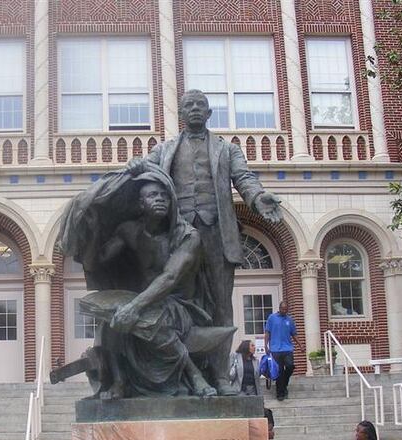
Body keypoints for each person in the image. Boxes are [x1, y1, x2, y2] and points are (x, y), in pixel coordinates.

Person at [127, 89, 283, 394]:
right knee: (183, 305)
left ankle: (222, 376)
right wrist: (135, 166)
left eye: (201, 105)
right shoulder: (166, 149)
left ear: (209, 113)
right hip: (180, 237)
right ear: (181, 114)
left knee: (222, 307)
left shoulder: (227, 150)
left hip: (216, 236)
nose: (195, 109)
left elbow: (245, 178)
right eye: (189, 106)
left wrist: (257, 196)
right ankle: (188, 376)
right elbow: (144, 172)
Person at [57, 165, 235, 398]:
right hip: (143, 301)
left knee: (150, 316)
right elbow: (95, 263)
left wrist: (134, 307)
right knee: (109, 322)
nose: (160, 200)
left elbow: (169, 278)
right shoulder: (129, 231)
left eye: (164, 196)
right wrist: (92, 230)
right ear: (140, 204)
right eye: (153, 195)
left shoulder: (187, 236)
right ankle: (119, 382)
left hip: (179, 305)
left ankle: (194, 374)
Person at [264, 301, 300, 400]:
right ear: (279, 308)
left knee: (290, 366)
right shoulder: (272, 318)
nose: (284, 311)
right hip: (275, 349)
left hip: (287, 348)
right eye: (282, 309)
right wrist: (266, 346)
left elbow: (294, 334)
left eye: (286, 309)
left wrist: (300, 345)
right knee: (279, 371)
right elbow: (267, 332)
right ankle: (280, 393)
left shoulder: (290, 320)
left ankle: (283, 384)